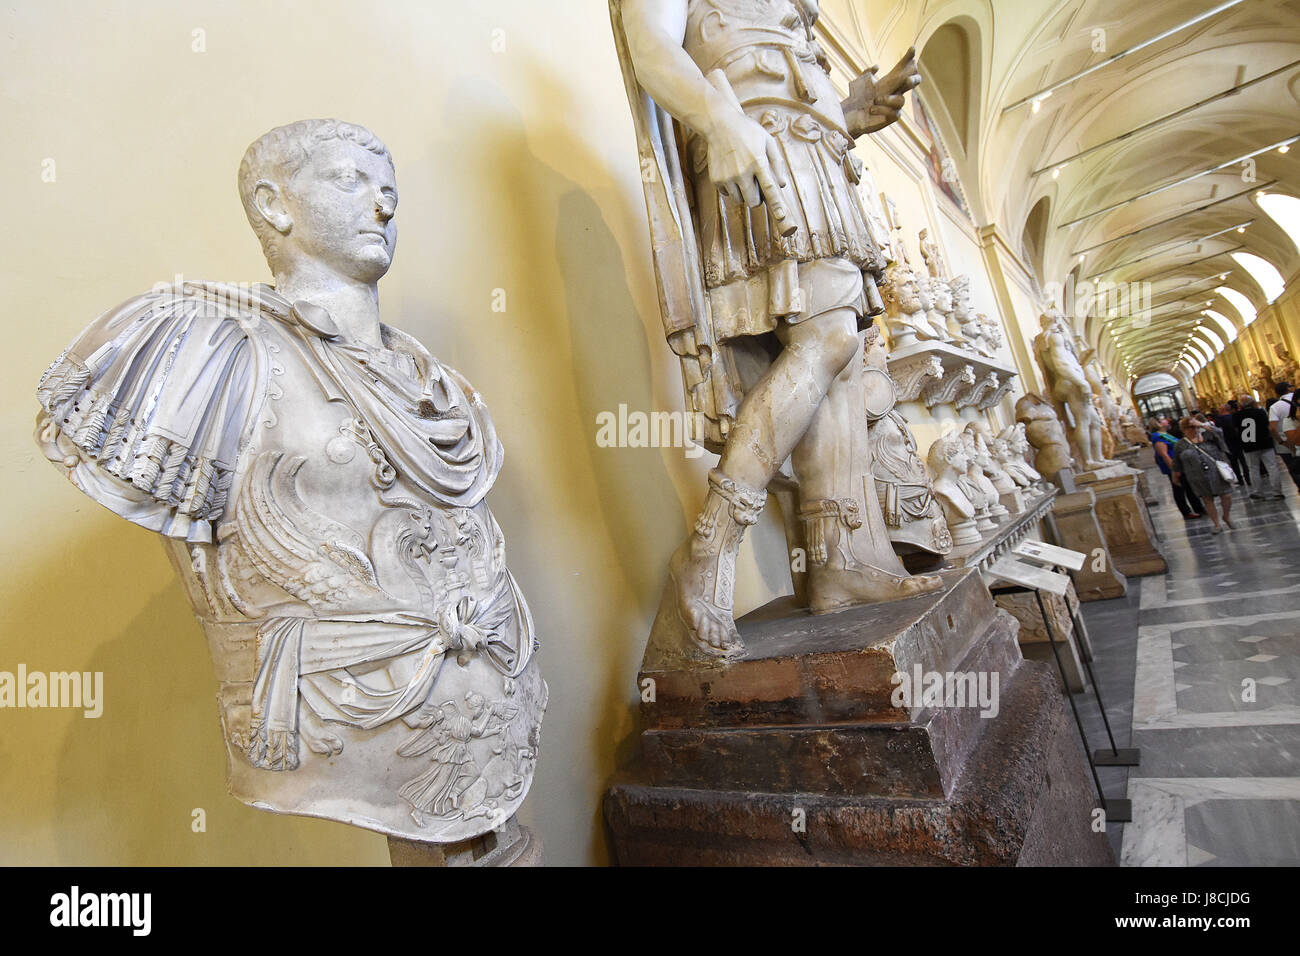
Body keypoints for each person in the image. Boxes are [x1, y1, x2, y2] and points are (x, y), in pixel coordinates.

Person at [1172, 416, 1236, 533]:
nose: (1193, 430)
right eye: (1189, 428)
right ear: (1184, 429)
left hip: (1216, 472)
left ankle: (1226, 516)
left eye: (1195, 427)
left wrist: (1201, 424)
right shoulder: (1180, 445)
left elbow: (1220, 432)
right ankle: (1216, 524)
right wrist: (1175, 475)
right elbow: (1176, 462)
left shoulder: (1208, 436)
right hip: (1196, 476)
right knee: (1207, 499)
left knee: (1226, 495)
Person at [1149, 417, 1205, 519]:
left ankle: (1198, 507)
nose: (1166, 420)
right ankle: (1186, 511)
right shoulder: (1158, 436)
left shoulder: (1165, 434)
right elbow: (1164, 454)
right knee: (1178, 488)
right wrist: (1174, 469)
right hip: (1173, 465)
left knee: (1188, 487)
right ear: (1158, 423)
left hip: (1180, 464)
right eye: (1163, 420)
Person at [1234, 394, 1284, 499]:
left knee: (1253, 469)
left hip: (1249, 445)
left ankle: (1258, 491)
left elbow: (1236, 430)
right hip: (1265, 442)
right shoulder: (1260, 412)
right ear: (1253, 403)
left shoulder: (1237, 415)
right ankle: (1277, 492)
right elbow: (1268, 426)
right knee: (1272, 467)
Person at [1267, 381, 1300, 491]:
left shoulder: (1275, 407)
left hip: (1285, 443)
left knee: (1294, 468)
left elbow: (1272, 427)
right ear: (1289, 388)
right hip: (1296, 439)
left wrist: (1281, 441)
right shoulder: (1295, 400)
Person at [1215, 401, 1249, 487]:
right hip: (1238, 441)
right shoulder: (1234, 417)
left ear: (1223, 410)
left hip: (1228, 443)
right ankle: (1247, 478)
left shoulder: (1219, 420)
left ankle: (1240, 479)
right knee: (1243, 461)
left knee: (1234, 463)